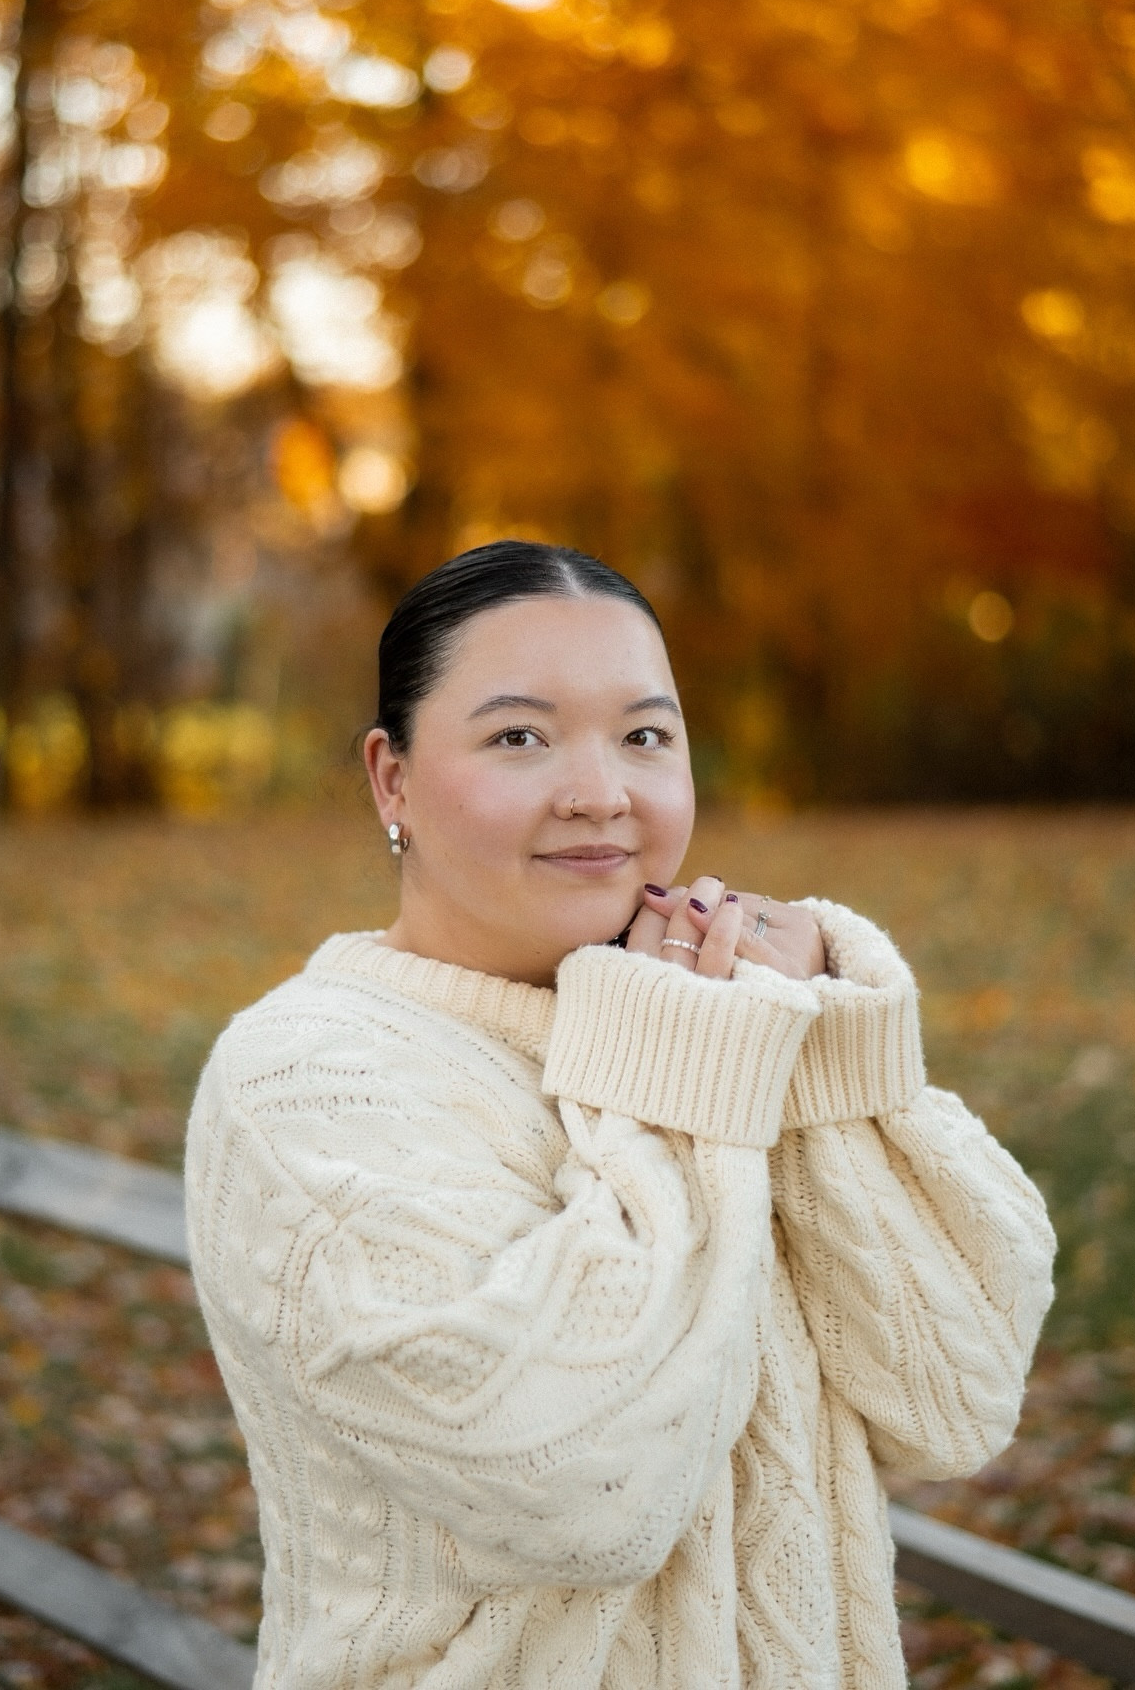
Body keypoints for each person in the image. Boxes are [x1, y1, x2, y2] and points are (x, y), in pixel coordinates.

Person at [185, 540, 1057, 1690]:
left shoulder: (713, 1019)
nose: (602, 792)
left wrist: (828, 1051)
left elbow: (957, 1398)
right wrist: (678, 1062)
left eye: (645, 736)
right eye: (519, 737)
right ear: (392, 779)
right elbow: (590, 1497)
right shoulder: (303, 1082)